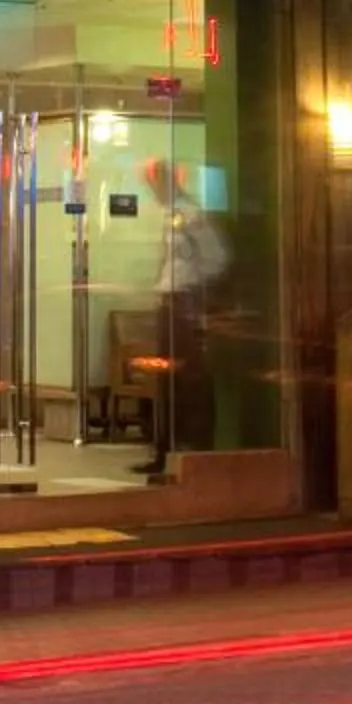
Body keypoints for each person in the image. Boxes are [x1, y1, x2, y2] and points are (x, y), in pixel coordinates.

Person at [139, 156, 227, 476]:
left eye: (157, 182)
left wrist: (192, 289)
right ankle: (164, 451)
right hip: (170, 301)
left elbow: (215, 258)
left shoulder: (190, 215)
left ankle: (194, 451)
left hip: (184, 302)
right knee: (166, 379)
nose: (154, 189)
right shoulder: (170, 214)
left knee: (190, 381)